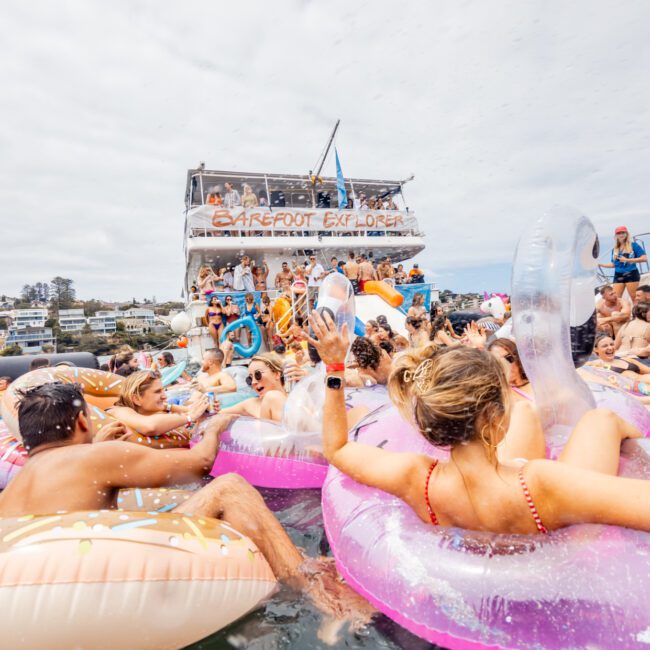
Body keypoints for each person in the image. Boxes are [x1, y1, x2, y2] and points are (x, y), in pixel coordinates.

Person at [0, 382, 371, 624]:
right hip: (91, 590)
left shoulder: (17, 486)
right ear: (82, 420)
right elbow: (199, 466)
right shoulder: (95, 457)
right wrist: (213, 428)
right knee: (229, 488)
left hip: (31, 605)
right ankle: (323, 595)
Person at [307, 311, 650, 537]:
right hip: (537, 519)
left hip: (473, 515)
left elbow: (336, 447)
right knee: (601, 419)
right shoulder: (541, 483)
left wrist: (335, 368)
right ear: (491, 417)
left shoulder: (416, 479)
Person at [107, 370, 209, 439]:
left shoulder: (152, 413)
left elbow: (188, 437)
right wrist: (190, 416)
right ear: (136, 399)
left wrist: (201, 418)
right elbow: (150, 426)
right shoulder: (118, 411)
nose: (165, 396)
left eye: (163, 390)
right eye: (157, 392)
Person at [219, 353, 287, 422]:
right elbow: (217, 414)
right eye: (250, 379)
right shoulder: (250, 404)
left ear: (277, 374)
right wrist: (211, 406)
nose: (253, 382)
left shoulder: (295, 398)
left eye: (258, 375)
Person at [599, 226, 647, 302]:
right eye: (619, 233)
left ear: (626, 234)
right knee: (615, 299)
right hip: (618, 275)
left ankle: (636, 313)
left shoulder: (634, 245)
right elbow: (614, 265)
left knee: (635, 298)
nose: (621, 235)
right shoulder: (615, 249)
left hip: (631, 274)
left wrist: (627, 260)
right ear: (616, 236)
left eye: (623, 233)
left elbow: (644, 258)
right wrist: (600, 264)